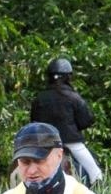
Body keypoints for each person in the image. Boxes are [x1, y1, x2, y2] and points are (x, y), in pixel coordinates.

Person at [30, 57, 102, 185]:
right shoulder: (73, 97)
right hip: (71, 142)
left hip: (44, 141)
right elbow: (87, 120)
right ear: (68, 77)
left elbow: (34, 121)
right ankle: (99, 184)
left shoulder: (39, 98)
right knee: (95, 172)